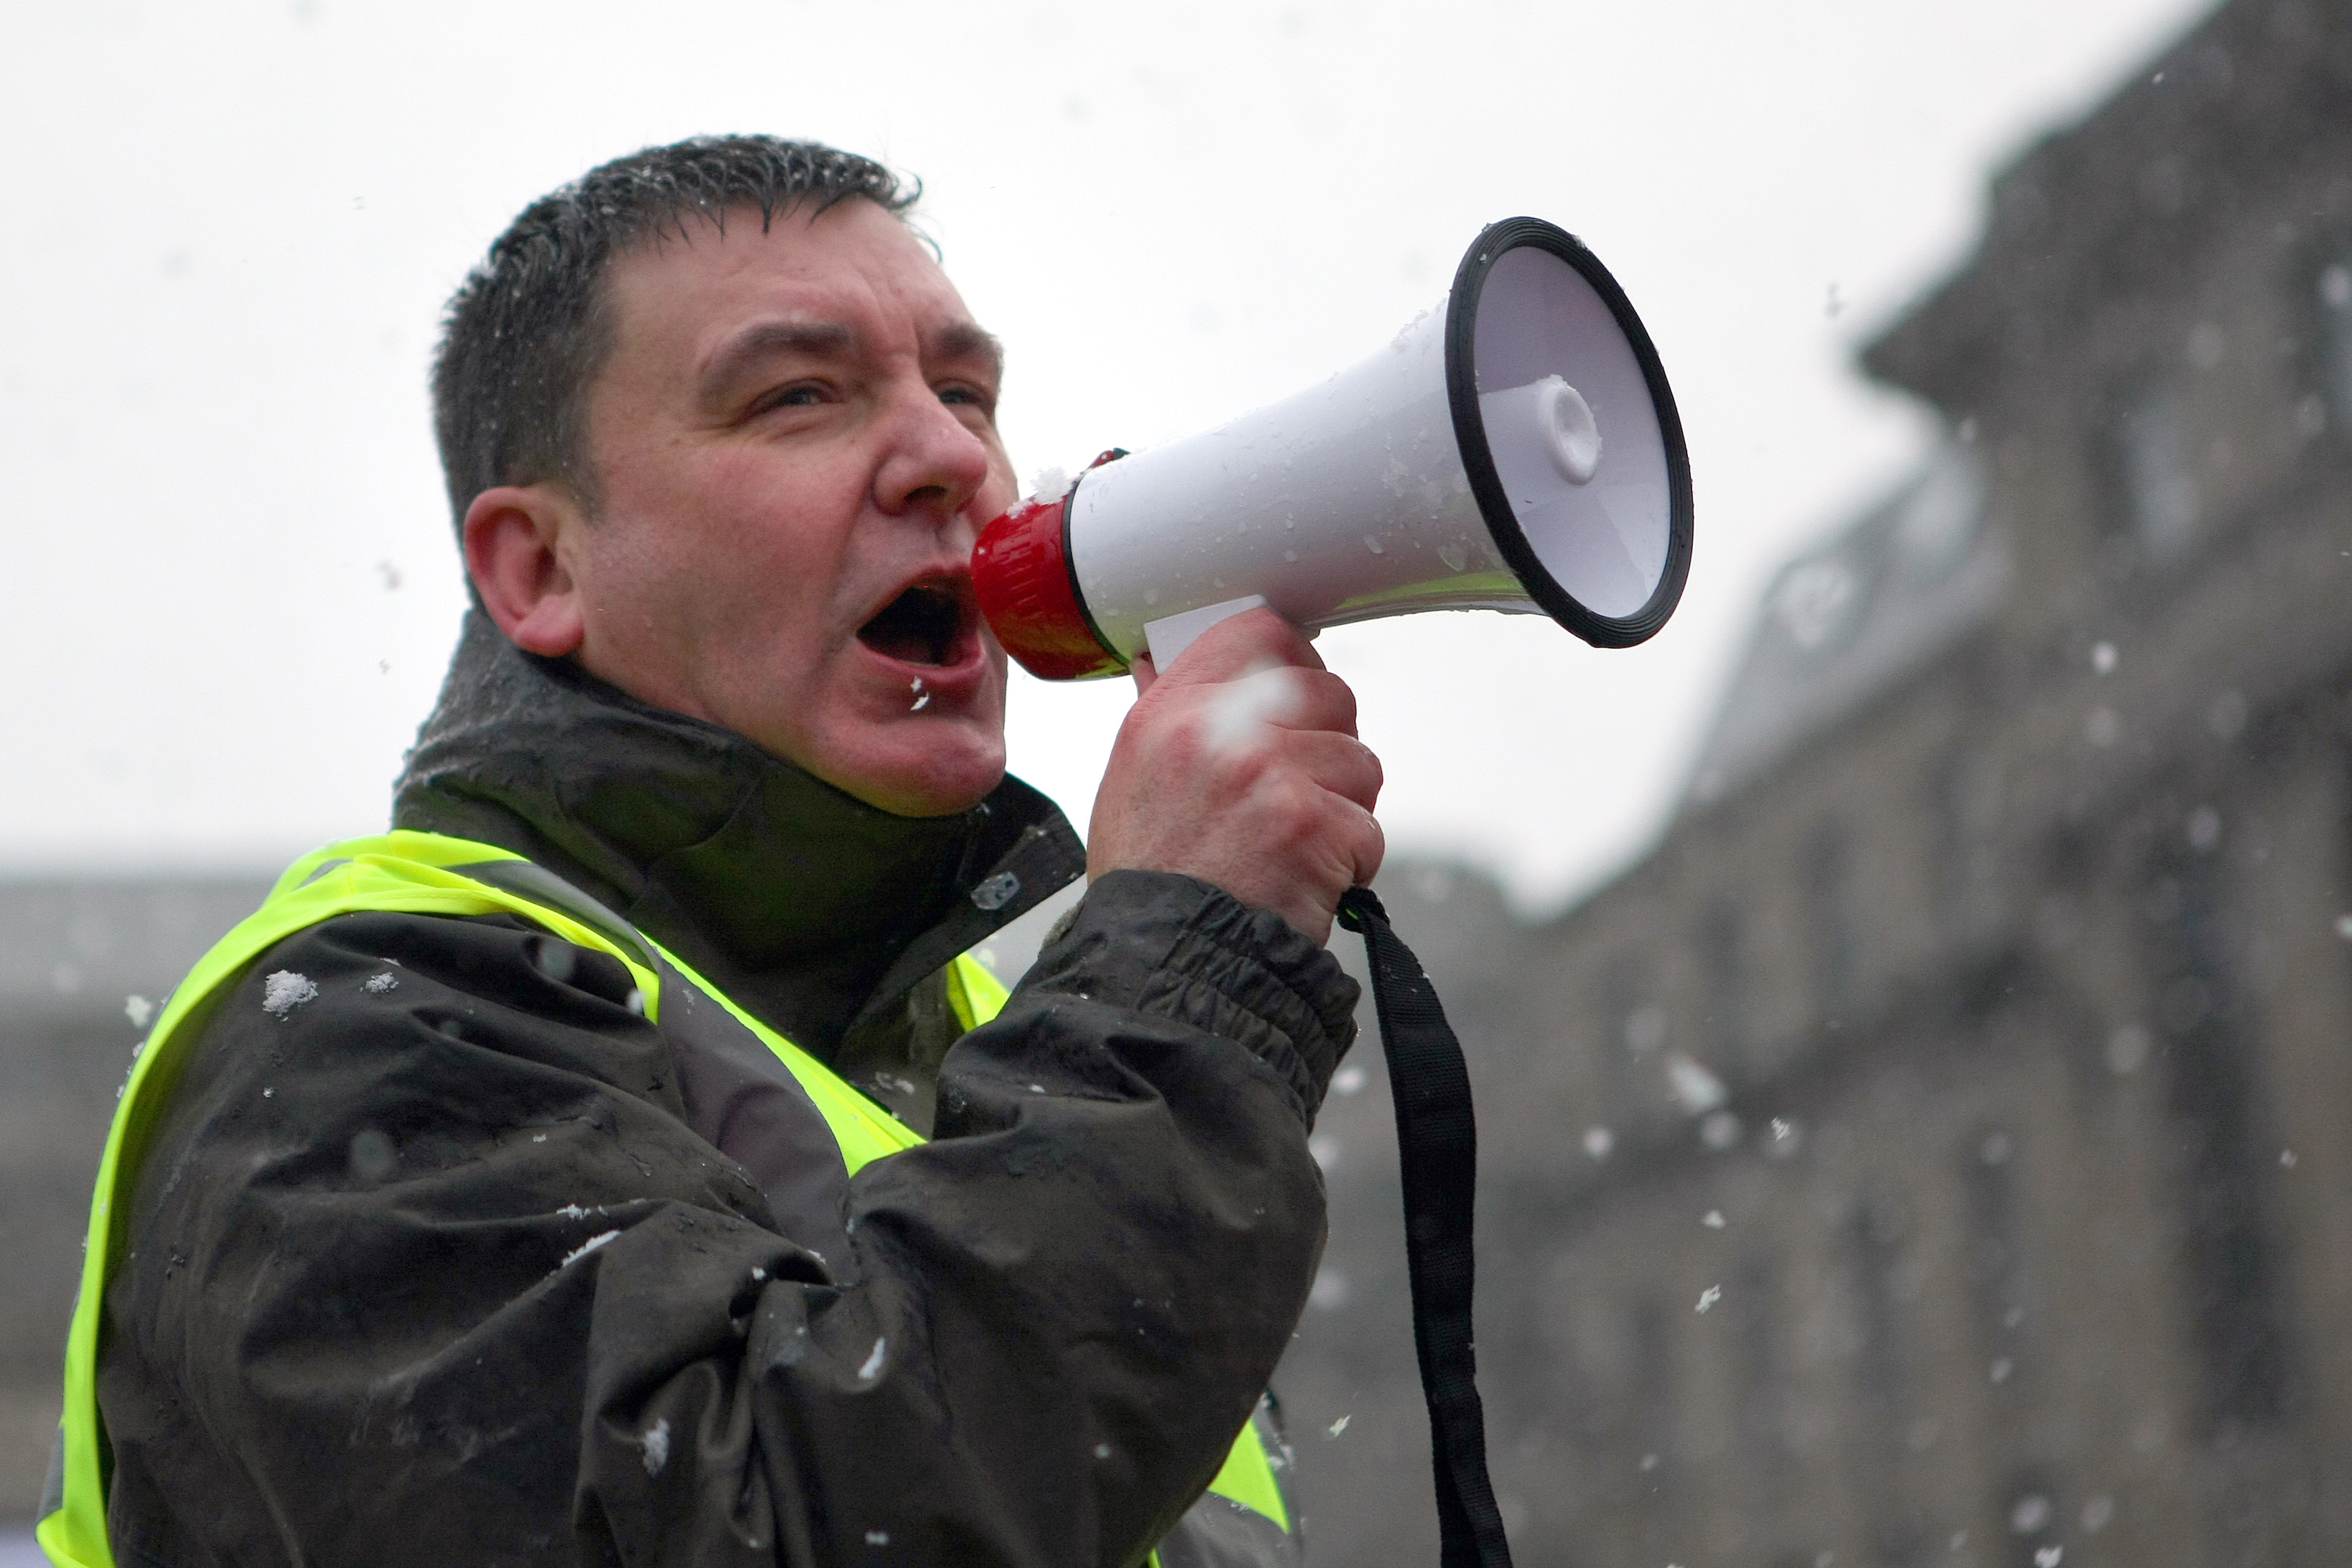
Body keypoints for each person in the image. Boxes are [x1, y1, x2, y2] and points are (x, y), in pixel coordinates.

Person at [38, 136, 1387, 1568]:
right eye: (797, 395)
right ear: (541, 570)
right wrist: (1177, 986)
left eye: (968, 392)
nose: (951, 455)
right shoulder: (357, 1040)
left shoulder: (1010, 1073)